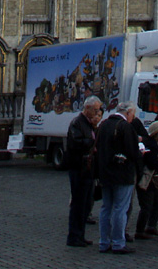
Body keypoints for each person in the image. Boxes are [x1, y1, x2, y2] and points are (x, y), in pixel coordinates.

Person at [95, 101, 140, 255]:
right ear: (127, 113)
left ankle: (104, 241)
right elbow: (133, 151)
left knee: (106, 208)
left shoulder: (104, 125)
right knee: (121, 208)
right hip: (122, 173)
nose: (133, 118)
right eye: (132, 114)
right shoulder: (125, 127)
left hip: (105, 173)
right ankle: (118, 242)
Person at [65, 95, 101, 247]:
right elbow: (75, 143)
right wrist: (91, 142)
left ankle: (81, 234)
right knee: (78, 203)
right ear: (87, 109)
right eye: (96, 110)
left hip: (88, 168)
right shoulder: (77, 123)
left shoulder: (89, 125)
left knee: (86, 203)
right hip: (78, 167)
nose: (97, 113)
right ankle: (74, 235)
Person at [134, 120, 158, 239]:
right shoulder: (153, 145)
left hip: (150, 179)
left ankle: (150, 226)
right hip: (147, 179)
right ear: (157, 133)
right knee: (147, 205)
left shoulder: (152, 144)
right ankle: (141, 229)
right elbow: (152, 164)